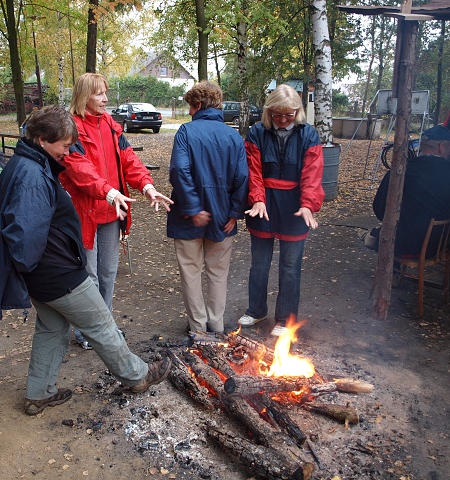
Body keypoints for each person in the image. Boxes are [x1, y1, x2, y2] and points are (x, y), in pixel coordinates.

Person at [0, 105, 172, 416]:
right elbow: (24, 235)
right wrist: (44, 266)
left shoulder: (29, 161)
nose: (68, 153)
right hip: (57, 273)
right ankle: (137, 375)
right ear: (42, 140)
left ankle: (39, 393)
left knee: (51, 328)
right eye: (65, 146)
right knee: (100, 323)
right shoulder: (31, 175)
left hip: (44, 276)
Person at [59, 73, 173, 347]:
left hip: (112, 212)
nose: (106, 99)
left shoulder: (111, 125)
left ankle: (104, 327)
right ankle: (87, 330)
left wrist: (146, 186)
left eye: (105, 93)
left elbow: (129, 159)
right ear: (84, 95)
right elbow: (79, 170)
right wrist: (110, 192)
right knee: (89, 275)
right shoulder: (71, 128)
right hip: (85, 212)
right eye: (99, 94)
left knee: (108, 273)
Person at [237, 85, 324, 336]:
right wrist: (257, 199)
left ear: (298, 111)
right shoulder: (256, 132)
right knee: (259, 264)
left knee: (290, 266)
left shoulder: (309, 135)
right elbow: (252, 171)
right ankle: (256, 310)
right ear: (269, 112)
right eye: (278, 115)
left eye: (289, 114)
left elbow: (312, 174)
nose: (284, 120)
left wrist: (308, 205)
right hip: (262, 206)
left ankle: (286, 319)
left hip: (295, 207)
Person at [167, 81, 248, 333]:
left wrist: (193, 208)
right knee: (218, 273)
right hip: (223, 216)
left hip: (187, 217)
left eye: (191, 106)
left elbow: (180, 171)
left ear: (199, 105)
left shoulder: (186, 132)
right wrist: (234, 213)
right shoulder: (233, 136)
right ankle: (216, 323)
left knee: (191, 272)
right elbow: (242, 178)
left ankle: (198, 327)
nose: (189, 112)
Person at [370, 125, 450, 256]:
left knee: (392, 231)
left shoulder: (399, 171)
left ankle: (374, 239)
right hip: (434, 247)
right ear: (441, 147)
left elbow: (379, 208)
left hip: (396, 243)